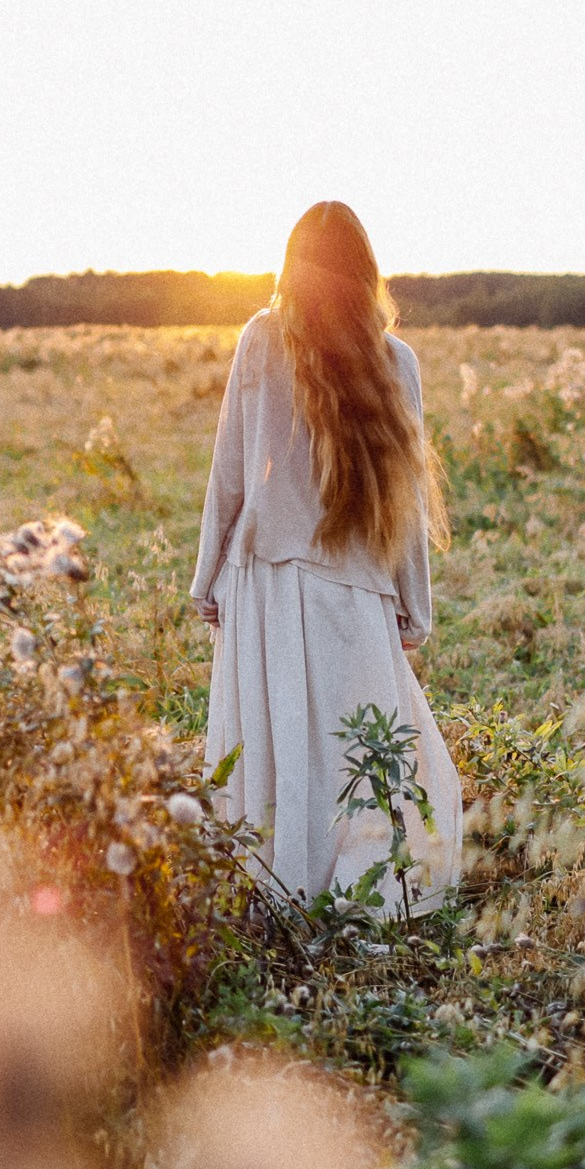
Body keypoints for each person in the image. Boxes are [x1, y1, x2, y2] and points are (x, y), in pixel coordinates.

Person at [189, 201, 461, 917]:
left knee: (275, 745)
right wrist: (415, 608)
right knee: (359, 751)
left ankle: (278, 890)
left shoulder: (260, 337)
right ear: (365, 270)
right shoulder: (396, 358)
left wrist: (207, 576)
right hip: (352, 585)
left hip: (263, 580)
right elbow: (406, 500)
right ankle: (348, 895)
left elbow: (228, 473)